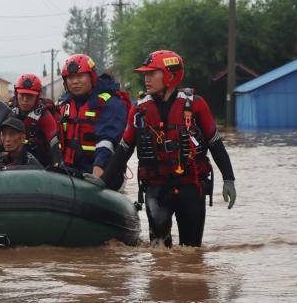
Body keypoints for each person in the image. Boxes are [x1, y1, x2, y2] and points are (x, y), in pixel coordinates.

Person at [91, 50, 236, 247]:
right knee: (159, 252)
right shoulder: (139, 109)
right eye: (145, 74)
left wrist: (229, 179)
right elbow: (124, 150)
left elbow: (215, 143)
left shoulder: (196, 105)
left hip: (190, 188)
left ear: (170, 76)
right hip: (156, 189)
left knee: (191, 253)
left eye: (152, 73)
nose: (146, 78)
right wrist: (103, 182)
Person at [55, 54, 128, 185]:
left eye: (80, 76)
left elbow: (107, 141)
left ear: (92, 77)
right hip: (70, 172)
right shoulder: (63, 104)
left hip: (102, 173)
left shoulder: (111, 103)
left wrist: (97, 174)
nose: (75, 81)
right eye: (70, 78)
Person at [9, 73, 62, 167]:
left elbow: (54, 141)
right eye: (22, 95)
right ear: (16, 94)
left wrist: (57, 164)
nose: (25, 100)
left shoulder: (44, 113)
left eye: (30, 96)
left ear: (37, 96)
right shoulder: (8, 109)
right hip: (12, 161)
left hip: (39, 164)